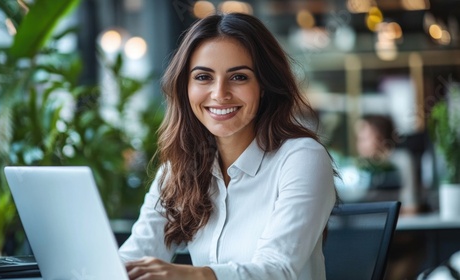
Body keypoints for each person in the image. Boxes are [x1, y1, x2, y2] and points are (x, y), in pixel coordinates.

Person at [119, 13, 337, 280]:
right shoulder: (177, 171)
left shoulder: (301, 158)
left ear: (264, 86)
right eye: (203, 77)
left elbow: (277, 270)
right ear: (185, 87)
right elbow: (135, 255)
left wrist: (190, 275)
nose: (220, 94)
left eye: (239, 77)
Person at [354, 114, 421, 215]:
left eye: (364, 139)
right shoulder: (362, 167)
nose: (359, 145)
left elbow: (411, 207)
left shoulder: (401, 161)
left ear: (379, 136)